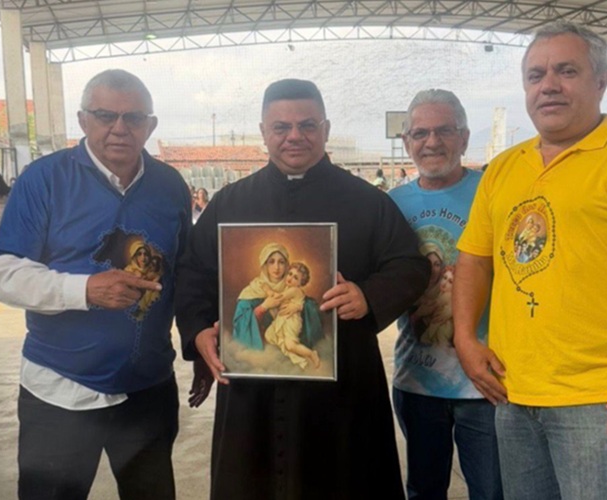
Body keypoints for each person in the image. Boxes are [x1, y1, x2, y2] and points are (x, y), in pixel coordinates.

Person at [453, 22, 607, 500]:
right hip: (513, 392)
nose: (548, 85)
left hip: (600, 400)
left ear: (601, 82)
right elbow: (474, 259)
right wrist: (464, 338)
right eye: (535, 74)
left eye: (567, 71)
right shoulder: (505, 167)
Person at [175, 78, 430, 500]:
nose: (295, 136)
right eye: (281, 127)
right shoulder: (230, 203)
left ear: (326, 130)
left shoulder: (367, 202)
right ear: (263, 133)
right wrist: (199, 329)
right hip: (251, 387)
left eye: (307, 125)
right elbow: (193, 273)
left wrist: (367, 295)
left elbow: (410, 266)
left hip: (341, 388)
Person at [0, 69, 192, 500]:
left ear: (150, 125)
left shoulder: (169, 186)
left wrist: (203, 343)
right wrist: (83, 290)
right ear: (83, 120)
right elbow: (0, 273)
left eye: (134, 117)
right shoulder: (45, 180)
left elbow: (185, 275)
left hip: (148, 387)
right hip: (61, 388)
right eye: (104, 115)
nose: (119, 128)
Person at [389, 89, 502, 500]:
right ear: (406, 143)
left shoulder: (494, 192)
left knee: (492, 491)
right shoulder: (391, 204)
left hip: (487, 381)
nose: (431, 142)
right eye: (420, 133)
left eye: (444, 131)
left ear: (465, 137)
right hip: (416, 379)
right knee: (423, 490)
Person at [232, 243, 322, 352]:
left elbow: (311, 307)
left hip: (287, 350)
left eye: (281, 262)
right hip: (262, 354)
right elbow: (240, 325)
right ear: (265, 264)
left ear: (287, 265)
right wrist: (263, 307)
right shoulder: (253, 290)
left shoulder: (291, 285)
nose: (277, 267)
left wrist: (299, 307)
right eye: (271, 262)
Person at [262, 261, 322, 369]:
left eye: (295, 278)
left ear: (300, 283)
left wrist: (267, 290)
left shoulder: (295, 290)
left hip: (291, 321)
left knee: (290, 345)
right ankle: (295, 356)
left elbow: (278, 298)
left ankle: (311, 354)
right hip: (282, 319)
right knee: (269, 335)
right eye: (290, 274)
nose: (290, 278)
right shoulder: (288, 288)